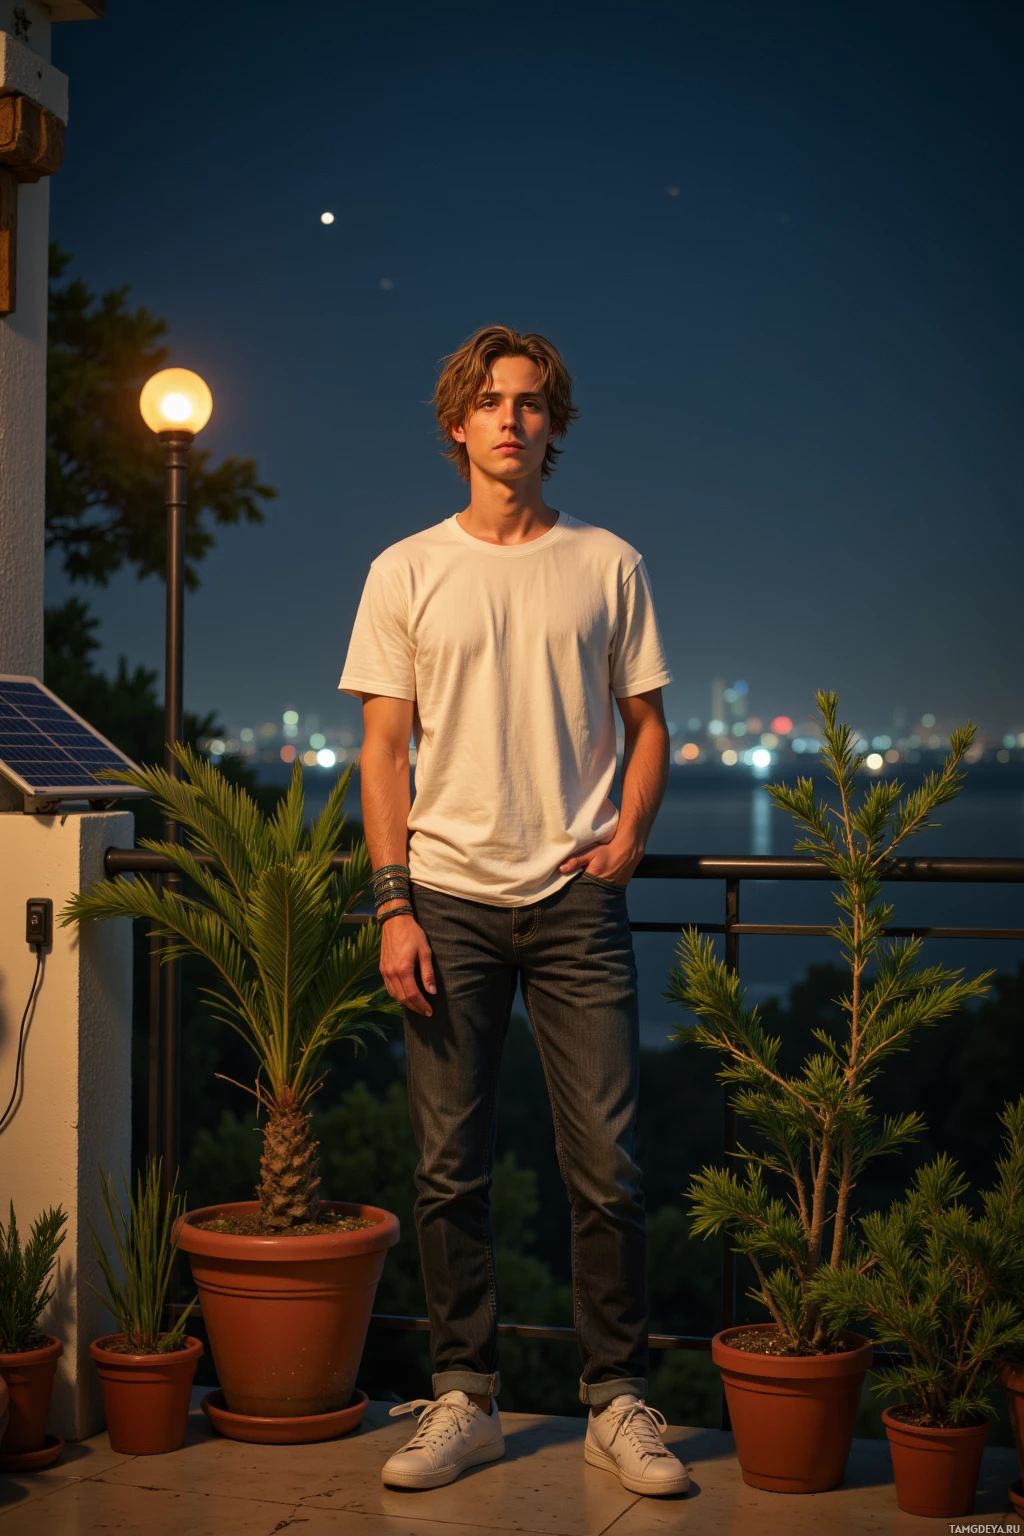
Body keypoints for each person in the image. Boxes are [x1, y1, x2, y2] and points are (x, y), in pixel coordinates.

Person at [339, 324, 687, 1498]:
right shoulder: (404, 570)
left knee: (609, 1168)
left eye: (529, 401)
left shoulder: (608, 563)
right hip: (444, 900)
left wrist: (628, 837)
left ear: (553, 424)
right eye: (489, 400)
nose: (510, 417)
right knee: (448, 1168)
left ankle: (616, 1401)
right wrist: (393, 904)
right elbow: (383, 752)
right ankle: (466, 1398)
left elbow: (649, 726)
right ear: (458, 423)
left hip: (576, 901)